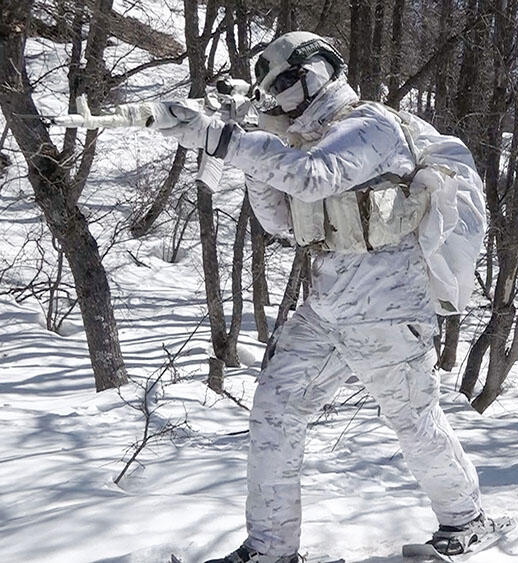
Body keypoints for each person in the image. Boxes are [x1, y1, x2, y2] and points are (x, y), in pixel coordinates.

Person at [158, 31, 494, 562]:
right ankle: (272, 549)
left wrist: (225, 140)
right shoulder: (298, 141)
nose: (284, 99)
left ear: (319, 72)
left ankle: (466, 517)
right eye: (275, 90)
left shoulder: (370, 125)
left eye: (289, 83)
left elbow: (314, 178)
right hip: (329, 306)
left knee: (412, 419)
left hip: (388, 308)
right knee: (275, 411)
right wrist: (255, 146)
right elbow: (280, 223)